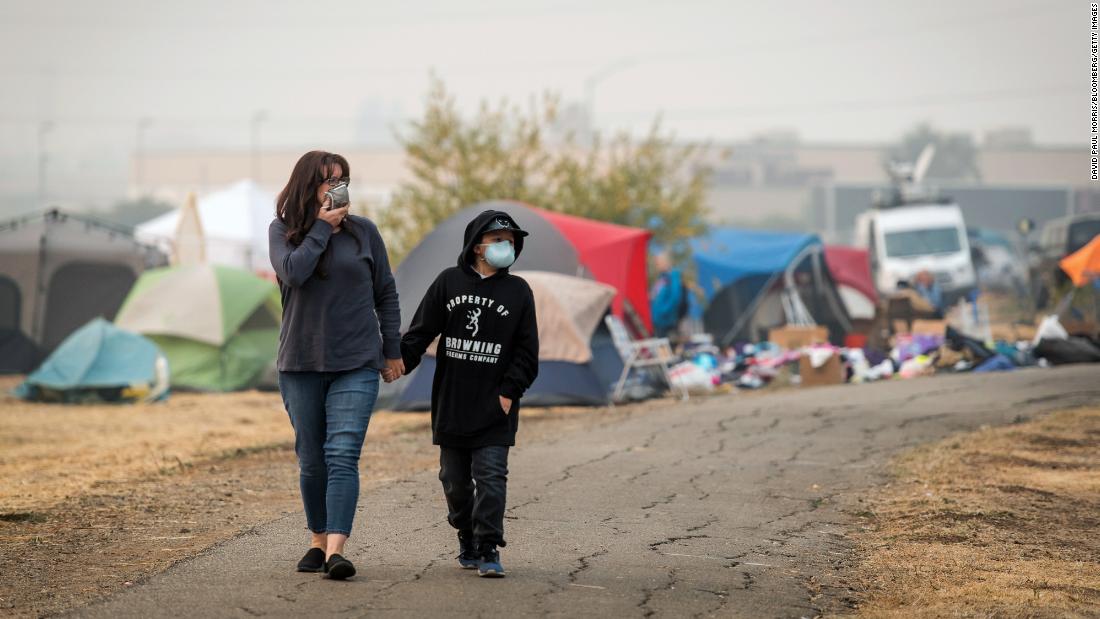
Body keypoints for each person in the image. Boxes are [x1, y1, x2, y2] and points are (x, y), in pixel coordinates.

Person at [268, 151, 404, 581]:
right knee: (312, 460)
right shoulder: (284, 233)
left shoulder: (365, 233)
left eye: (343, 179)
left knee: (342, 454)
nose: (337, 187)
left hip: (357, 361)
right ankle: (317, 537)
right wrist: (321, 231)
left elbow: (386, 292)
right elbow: (293, 274)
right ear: (308, 186)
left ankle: (335, 551)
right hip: (301, 362)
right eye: (328, 180)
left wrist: (393, 348)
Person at [399, 210, 539, 578]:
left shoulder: (519, 291)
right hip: (453, 402)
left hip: (495, 406)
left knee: (492, 477)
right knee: (454, 481)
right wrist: (397, 364)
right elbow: (420, 331)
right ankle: (466, 532)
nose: (506, 247)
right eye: (498, 241)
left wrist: (508, 393)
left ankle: (489, 546)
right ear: (478, 246)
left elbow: (528, 353)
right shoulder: (448, 283)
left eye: (510, 241)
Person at [649, 252, 687, 339]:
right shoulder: (661, 277)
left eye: (658, 263)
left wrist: (663, 311)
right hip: (657, 319)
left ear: (665, 262)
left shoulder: (673, 277)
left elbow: (675, 297)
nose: (656, 265)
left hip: (665, 320)